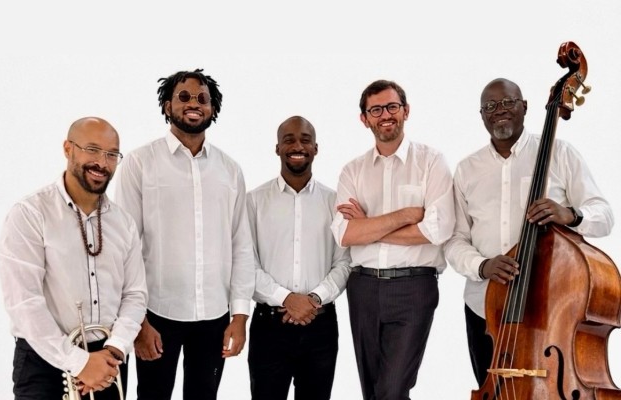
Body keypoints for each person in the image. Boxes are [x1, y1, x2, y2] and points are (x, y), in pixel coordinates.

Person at [443, 78, 614, 387]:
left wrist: (571, 215)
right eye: (490, 106)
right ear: (481, 115)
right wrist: (483, 265)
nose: (499, 110)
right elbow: (455, 240)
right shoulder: (467, 169)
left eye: (507, 102)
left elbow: (604, 215)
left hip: (553, 305)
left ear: (524, 106)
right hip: (486, 308)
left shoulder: (561, 153)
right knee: (493, 390)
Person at [114, 69, 255, 400]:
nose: (194, 104)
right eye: (184, 97)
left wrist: (239, 316)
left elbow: (241, 245)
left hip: (214, 315)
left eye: (202, 99)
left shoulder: (230, 170)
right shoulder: (140, 163)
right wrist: (137, 322)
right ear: (167, 106)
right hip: (156, 313)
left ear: (212, 109)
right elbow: (124, 246)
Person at [0, 117, 148, 399]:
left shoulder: (123, 223)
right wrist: (79, 363)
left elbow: (135, 294)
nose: (102, 162)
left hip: (108, 362)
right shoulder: (30, 214)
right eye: (92, 149)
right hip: (43, 362)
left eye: (112, 154)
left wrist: (115, 349)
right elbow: (24, 303)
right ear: (68, 149)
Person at [331, 79, 455, 399]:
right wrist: (406, 215)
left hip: (414, 287)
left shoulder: (431, 162)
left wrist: (368, 227)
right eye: (376, 110)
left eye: (392, 107)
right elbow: (346, 233)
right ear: (364, 119)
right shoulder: (352, 171)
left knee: (392, 389)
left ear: (406, 111)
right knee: (373, 392)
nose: (385, 115)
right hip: (363, 289)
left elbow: (437, 230)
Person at [246, 116, 351, 400]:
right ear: (277, 148)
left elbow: (344, 263)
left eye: (305, 140)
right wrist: (286, 298)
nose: (297, 146)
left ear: (316, 148)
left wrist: (314, 299)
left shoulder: (335, 202)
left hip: (321, 327)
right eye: (289, 140)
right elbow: (246, 264)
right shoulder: (254, 201)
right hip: (269, 327)